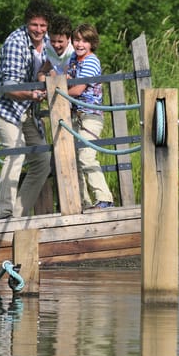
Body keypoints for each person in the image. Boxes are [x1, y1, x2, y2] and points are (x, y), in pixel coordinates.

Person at [0, 0, 53, 219]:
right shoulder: (15, 42)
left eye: (43, 25)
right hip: (4, 106)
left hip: (27, 109)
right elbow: (8, 89)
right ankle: (3, 214)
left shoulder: (51, 42)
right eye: (34, 25)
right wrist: (33, 94)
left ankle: (18, 215)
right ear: (27, 23)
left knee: (43, 161)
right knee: (16, 152)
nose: (39, 30)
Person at [66, 23, 114, 209]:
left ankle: (105, 198)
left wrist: (58, 88)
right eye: (77, 40)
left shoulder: (91, 61)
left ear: (92, 43)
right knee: (74, 159)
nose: (80, 44)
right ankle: (82, 201)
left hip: (91, 116)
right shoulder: (73, 58)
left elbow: (77, 89)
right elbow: (66, 76)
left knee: (86, 157)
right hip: (75, 115)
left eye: (85, 41)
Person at [37, 13, 74, 81]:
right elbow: (49, 62)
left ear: (69, 38)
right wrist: (41, 73)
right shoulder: (49, 45)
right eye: (53, 41)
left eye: (60, 41)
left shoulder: (73, 52)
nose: (56, 45)